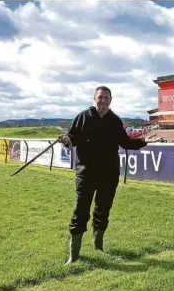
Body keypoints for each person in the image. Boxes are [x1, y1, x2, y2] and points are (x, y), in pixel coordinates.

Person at [58, 86, 161, 264]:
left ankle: (98, 247)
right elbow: (72, 139)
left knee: (102, 211)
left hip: (109, 174)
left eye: (106, 98)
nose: (103, 101)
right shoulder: (83, 117)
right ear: (94, 99)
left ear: (110, 100)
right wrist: (67, 140)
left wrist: (144, 141)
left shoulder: (115, 120)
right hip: (86, 173)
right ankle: (73, 256)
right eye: (100, 97)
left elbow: (126, 142)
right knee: (80, 212)